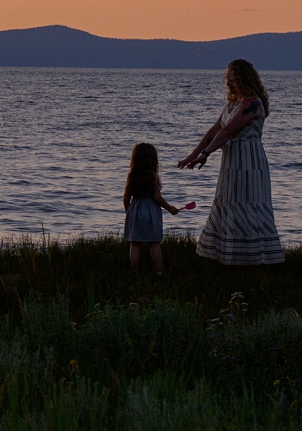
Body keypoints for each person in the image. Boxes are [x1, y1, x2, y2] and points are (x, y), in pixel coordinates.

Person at [177, 59, 284, 266]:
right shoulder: (231, 105)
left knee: (247, 203)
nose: (229, 84)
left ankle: (252, 258)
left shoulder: (253, 104)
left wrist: (207, 153)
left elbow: (229, 131)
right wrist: (193, 154)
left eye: (233, 80)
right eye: (227, 80)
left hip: (249, 162)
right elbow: (215, 130)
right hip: (231, 162)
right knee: (228, 202)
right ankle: (228, 255)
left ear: (244, 79)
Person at [121, 142, 193, 273]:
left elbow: (126, 197)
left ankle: (134, 272)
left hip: (135, 209)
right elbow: (157, 197)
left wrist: (129, 213)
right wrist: (169, 208)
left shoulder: (131, 176)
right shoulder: (153, 177)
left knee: (135, 243)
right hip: (150, 212)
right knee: (154, 243)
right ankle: (159, 271)